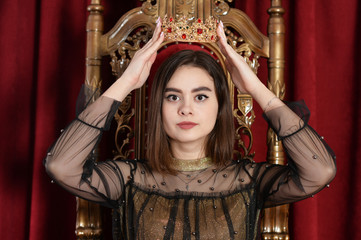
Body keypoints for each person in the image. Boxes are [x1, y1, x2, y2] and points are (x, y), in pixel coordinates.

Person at [44, 18, 336, 240]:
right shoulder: (129, 179)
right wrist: (127, 82)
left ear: (219, 107)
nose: (186, 108)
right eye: (173, 97)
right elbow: (60, 165)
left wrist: (253, 87)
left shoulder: (248, 181)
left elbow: (320, 171)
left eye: (200, 96)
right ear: (158, 106)